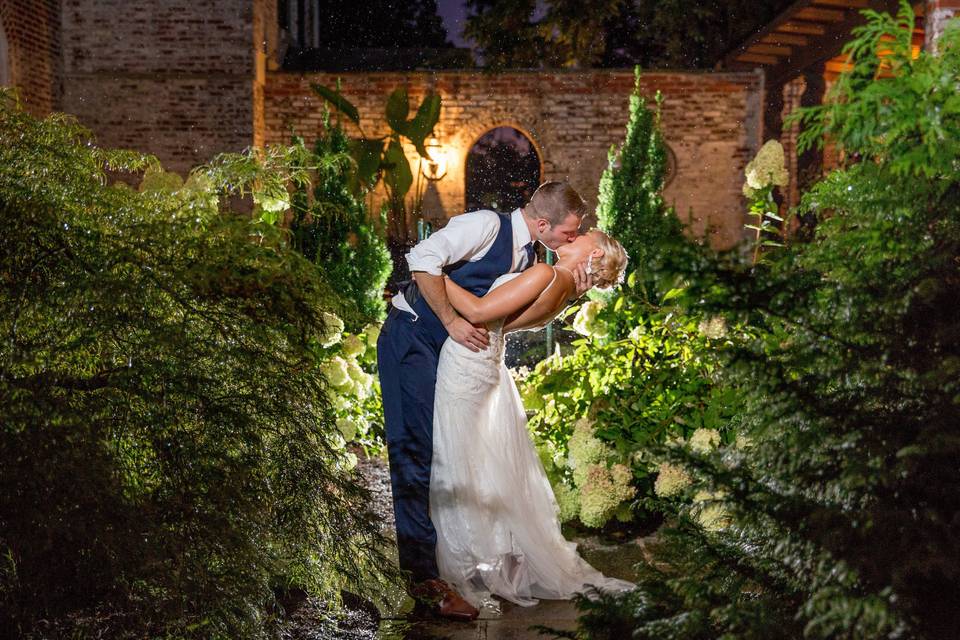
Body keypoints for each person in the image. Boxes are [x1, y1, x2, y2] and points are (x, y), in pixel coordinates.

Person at [376, 182, 592, 621]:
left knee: (449, 458)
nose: (574, 238)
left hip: (455, 361)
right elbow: (420, 261)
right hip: (412, 340)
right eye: (571, 232)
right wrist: (453, 321)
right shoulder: (484, 226)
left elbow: (509, 320)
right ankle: (423, 581)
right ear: (545, 223)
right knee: (413, 453)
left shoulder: (531, 258)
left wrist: (572, 291)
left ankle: (456, 560)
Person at [430, 229, 634, 611]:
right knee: (476, 464)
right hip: (485, 361)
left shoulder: (547, 275)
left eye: (584, 234)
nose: (576, 233)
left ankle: (466, 563)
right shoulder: (564, 290)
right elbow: (504, 325)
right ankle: (486, 556)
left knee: (458, 462)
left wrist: (432, 275)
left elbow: (477, 312)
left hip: (469, 359)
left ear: (591, 252)